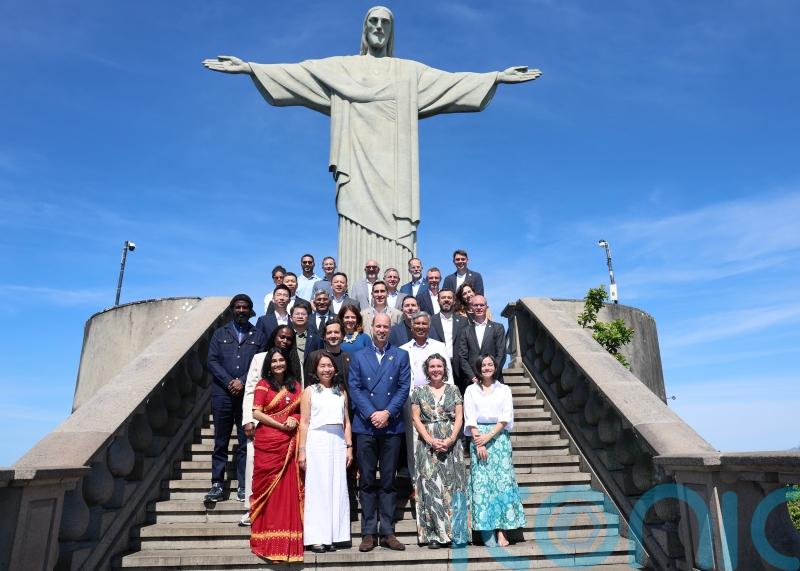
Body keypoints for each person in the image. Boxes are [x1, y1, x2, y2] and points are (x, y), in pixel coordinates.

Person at [203, 6, 541, 285]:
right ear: (364, 29)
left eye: (385, 23)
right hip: (356, 166)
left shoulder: (408, 72)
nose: (378, 27)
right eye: (373, 21)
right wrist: (251, 68)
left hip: (396, 174)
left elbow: (451, 83)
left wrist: (494, 77)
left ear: (391, 32)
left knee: (398, 231)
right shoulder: (342, 68)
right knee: (353, 226)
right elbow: (299, 75)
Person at [347, 313, 411, 552]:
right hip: (365, 425)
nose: (382, 329)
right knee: (366, 481)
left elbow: (404, 387)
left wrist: (387, 413)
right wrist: (372, 413)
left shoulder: (401, 355)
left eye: (386, 326)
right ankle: (368, 533)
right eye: (378, 326)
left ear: (390, 329)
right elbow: (354, 386)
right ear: (371, 328)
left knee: (387, 481)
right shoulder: (358, 356)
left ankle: (387, 531)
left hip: (391, 426)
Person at [206, 294, 266, 503]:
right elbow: (212, 360)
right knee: (220, 441)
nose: (241, 310)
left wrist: (241, 381)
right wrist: (229, 381)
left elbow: (260, 363)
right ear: (232, 309)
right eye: (238, 307)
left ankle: (243, 484)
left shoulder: (258, 335)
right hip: (222, 393)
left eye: (245, 307)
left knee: (244, 441)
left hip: (245, 395)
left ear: (251, 310)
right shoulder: (219, 333)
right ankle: (216, 484)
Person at [463, 355, 525, 547]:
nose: (487, 367)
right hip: (478, 437)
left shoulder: (504, 390)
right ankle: (485, 529)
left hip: (498, 439)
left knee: (502, 485)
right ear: (478, 368)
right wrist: (479, 442)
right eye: (483, 365)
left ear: (496, 367)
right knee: (482, 486)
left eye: (490, 364)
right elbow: (470, 417)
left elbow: (506, 417)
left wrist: (488, 437)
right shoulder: (471, 390)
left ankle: (502, 530)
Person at [250, 347, 304, 561]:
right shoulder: (263, 385)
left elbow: (302, 411)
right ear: (269, 365)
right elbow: (256, 413)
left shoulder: (296, 386)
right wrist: (282, 425)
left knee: (287, 492)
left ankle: (287, 543)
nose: (278, 364)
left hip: (289, 444)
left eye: (281, 360)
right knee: (269, 494)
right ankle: (266, 541)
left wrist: (295, 419)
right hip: (269, 443)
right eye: (274, 361)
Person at [410, 353, 468, 548]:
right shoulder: (418, 391)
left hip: (452, 443)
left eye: (439, 366)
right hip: (427, 444)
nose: (436, 369)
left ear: (445, 369)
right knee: (430, 488)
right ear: (427, 370)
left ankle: (455, 534)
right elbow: (416, 418)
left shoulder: (454, 389)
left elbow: (460, 416)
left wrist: (451, 439)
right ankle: (434, 534)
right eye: (432, 366)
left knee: (453, 486)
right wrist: (429, 440)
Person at [298, 352, 354, 553]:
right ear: (316, 369)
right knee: (318, 489)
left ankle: (334, 536)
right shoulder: (309, 391)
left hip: (338, 441)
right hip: (317, 440)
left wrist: (349, 447)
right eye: (322, 366)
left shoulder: (341, 392)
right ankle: (317, 537)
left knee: (337, 487)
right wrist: (302, 451)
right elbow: (304, 422)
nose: (326, 369)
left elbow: (346, 422)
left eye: (329, 365)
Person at [399, 311, 450, 479]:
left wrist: (447, 400)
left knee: (438, 436)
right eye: (417, 324)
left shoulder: (439, 346)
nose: (420, 327)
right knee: (414, 441)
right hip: (412, 402)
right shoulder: (403, 350)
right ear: (411, 327)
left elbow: (448, 375)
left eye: (424, 324)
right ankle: (416, 481)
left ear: (429, 327)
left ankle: (439, 478)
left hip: (437, 400)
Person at [457, 295, 506, 391]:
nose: (479, 308)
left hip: (494, 380)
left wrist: (492, 375)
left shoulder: (498, 328)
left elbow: (501, 354)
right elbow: (462, 357)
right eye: (476, 305)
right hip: (473, 382)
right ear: (471, 308)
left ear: (486, 307)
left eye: (481, 305)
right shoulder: (465, 331)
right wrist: (473, 377)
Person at [305, 318, 351, 386]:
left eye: (336, 332)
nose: (333, 336)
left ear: (342, 336)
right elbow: (308, 383)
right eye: (329, 333)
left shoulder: (348, 358)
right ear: (324, 337)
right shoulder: (314, 357)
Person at [290, 301, 323, 380]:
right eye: (297, 314)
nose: (300, 316)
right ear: (291, 318)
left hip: (310, 378)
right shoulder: (286, 337)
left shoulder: (316, 338)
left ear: (308, 318)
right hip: (290, 378)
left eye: (303, 314)